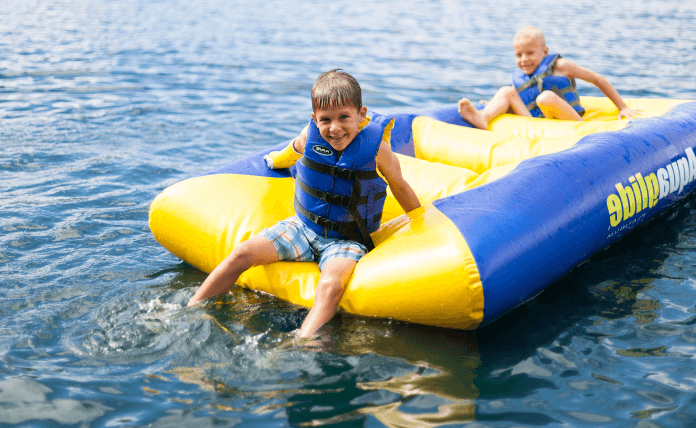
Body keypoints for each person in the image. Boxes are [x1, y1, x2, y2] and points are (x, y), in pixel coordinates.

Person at [187, 70, 422, 338]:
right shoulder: (310, 136)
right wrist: (275, 161)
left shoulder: (377, 150)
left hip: (346, 239)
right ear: (314, 119)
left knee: (331, 285)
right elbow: (293, 149)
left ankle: (304, 340)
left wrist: (420, 222)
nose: (334, 128)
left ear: (361, 114)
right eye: (325, 120)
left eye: (344, 117)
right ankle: (191, 308)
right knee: (242, 253)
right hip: (303, 227)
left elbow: (399, 185)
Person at [458, 26, 641, 130]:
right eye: (518, 55)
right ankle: (484, 116)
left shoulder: (561, 66)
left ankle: (583, 128)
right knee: (506, 91)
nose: (524, 60)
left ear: (544, 51)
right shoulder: (523, 75)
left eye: (530, 53)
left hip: (569, 120)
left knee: (545, 97)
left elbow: (596, 79)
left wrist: (622, 107)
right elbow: (523, 98)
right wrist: (498, 104)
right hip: (536, 122)